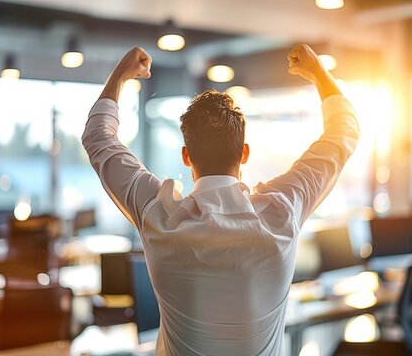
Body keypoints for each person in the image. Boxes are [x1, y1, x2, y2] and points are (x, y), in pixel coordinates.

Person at [83, 44, 359, 355]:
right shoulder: (282, 211)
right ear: (244, 153)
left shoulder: (159, 216)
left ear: (187, 157)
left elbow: (98, 137)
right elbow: (342, 134)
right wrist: (320, 74)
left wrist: (120, 76)